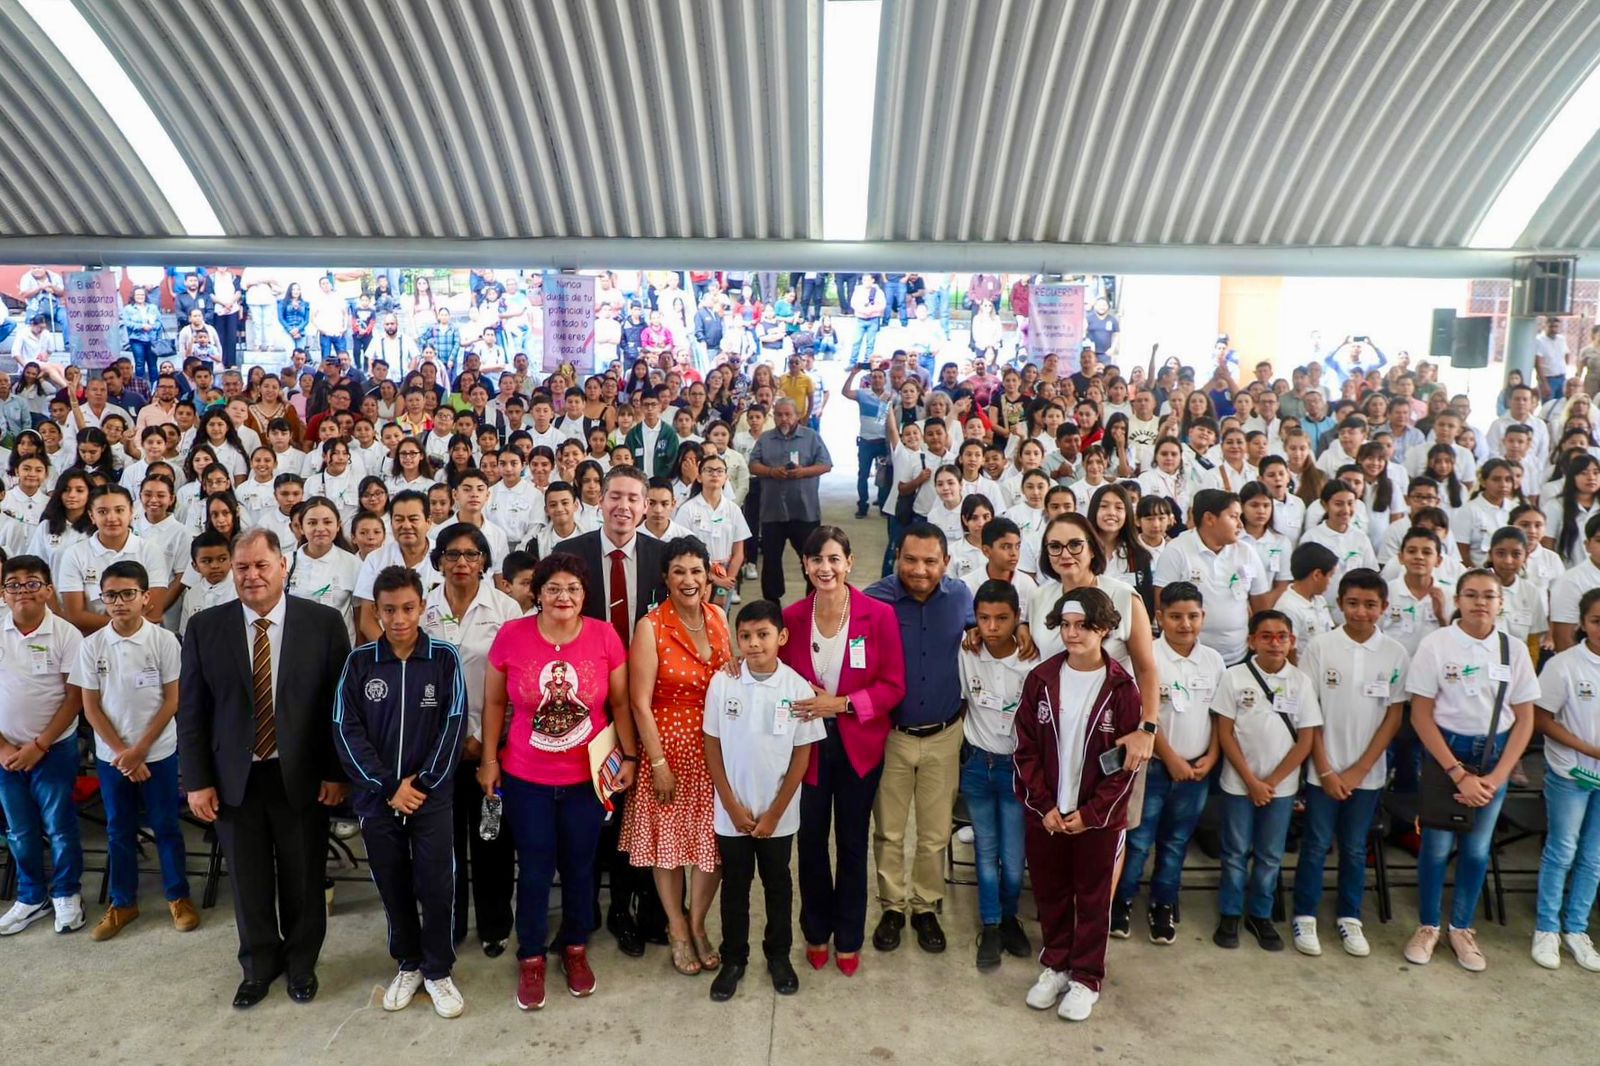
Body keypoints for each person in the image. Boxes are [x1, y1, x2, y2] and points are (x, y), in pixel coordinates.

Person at [177, 528, 353, 1008]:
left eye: (261, 565)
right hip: (235, 780)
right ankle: (259, 966)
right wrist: (196, 781)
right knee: (249, 882)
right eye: (242, 567)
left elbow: (337, 708)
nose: (252, 576)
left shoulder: (323, 622)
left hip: (302, 777)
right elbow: (191, 711)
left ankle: (301, 964)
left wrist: (337, 773)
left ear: (283, 567)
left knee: (302, 877)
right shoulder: (205, 627)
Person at [478, 552, 632, 1010]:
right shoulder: (512, 636)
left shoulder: (604, 636)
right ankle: (530, 955)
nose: (563, 597)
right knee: (537, 866)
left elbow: (620, 705)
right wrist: (489, 759)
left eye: (573, 589)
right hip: (527, 778)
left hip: (587, 778)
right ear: (537, 593)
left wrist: (629, 755)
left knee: (582, 865)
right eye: (553, 588)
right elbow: (492, 705)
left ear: (585, 595)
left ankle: (576, 947)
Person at [334, 567, 468, 1019]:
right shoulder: (360, 663)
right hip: (378, 799)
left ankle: (438, 969)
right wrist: (388, 786)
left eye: (408, 608)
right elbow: (344, 728)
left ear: (422, 608)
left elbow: (454, 724)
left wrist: (422, 784)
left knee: (436, 884)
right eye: (388, 610)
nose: (399, 618)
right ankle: (408, 963)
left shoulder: (444, 658)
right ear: (376, 610)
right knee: (392, 884)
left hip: (431, 798)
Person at [780, 526, 906, 976]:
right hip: (807, 747)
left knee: (852, 844)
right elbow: (773, 673)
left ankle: (849, 937)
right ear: (806, 566)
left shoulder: (878, 615)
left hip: (859, 744)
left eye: (834, 559)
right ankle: (816, 931)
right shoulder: (791, 619)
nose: (825, 568)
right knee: (810, 842)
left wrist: (843, 703)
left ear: (849, 562)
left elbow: (894, 686)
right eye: (816, 560)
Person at [1014, 586, 1142, 1022]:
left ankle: (1087, 977)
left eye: (1083, 626)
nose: (1072, 634)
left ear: (1104, 628)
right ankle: (1056, 964)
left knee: (1092, 898)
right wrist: (1044, 806)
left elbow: (1127, 766)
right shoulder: (1041, 679)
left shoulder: (1123, 689)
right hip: (1048, 815)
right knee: (1050, 892)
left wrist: (1090, 815)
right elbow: (1025, 750)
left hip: (1098, 820)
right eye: (1066, 626)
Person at [1403, 569, 1539, 972]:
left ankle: (1461, 928)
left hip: (1495, 756)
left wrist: (1496, 779)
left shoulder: (1511, 650)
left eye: (1489, 596)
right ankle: (1428, 925)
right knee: (1438, 846)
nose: (1480, 602)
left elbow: (1526, 720)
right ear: (1458, 600)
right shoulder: (1437, 644)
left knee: (1478, 849)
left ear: (1501, 603)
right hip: (1448, 752)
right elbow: (1421, 715)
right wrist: (1458, 773)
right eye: (1471, 595)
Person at [701, 599, 825, 1001]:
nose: (753, 644)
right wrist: (732, 807)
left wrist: (774, 812)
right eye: (745, 636)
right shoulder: (724, 683)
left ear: (781, 637)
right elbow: (712, 745)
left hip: (778, 816)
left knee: (777, 885)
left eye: (763, 635)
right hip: (731, 814)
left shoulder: (796, 688)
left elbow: (802, 754)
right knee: (735, 887)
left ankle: (779, 956)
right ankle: (734, 958)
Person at [622, 536, 733, 975]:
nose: (689, 580)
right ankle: (676, 927)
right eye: (679, 572)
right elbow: (639, 702)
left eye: (696, 571)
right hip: (668, 750)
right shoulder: (650, 627)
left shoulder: (721, 618)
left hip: (716, 751)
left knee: (713, 847)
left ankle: (699, 922)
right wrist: (659, 765)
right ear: (665, 578)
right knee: (668, 849)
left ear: (708, 575)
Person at [866, 522, 973, 956]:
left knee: (934, 833)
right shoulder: (875, 600)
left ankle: (925, 906)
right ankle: (892, 906)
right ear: (897, 558)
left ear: (945, 562)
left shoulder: (962, 597)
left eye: (931, 561)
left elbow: (987, 632)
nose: (920, 569)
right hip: (891, 736)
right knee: (889, 830)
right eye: (910, 559)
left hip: (945, 734)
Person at [74, 560, 195, 941]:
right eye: (111, 595)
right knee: (118, 829)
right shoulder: (92, 646)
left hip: (157, 752)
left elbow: (172, 701)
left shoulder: (164, 641)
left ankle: (178, 896)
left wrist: (140, 750)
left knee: (166, 826)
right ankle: (123, 901)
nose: (120, 601)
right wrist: (122, 753)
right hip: (113, 758)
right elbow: (90, 707)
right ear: (102, 600)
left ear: (146, 598)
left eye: (128, 594)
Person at [1292, 569, 1409, 958]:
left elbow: (1393, 716)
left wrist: (1360, 770)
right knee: (1316, 844)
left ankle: (1349, 917)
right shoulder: (1321, 647)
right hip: (1321, 769)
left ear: (1384, 608)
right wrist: (1325, 769)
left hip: (1368, 773)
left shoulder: (1394, 653)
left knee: (1356, 847)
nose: (1361, 612)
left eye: (1370, 605)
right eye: (1353, 603)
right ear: (1339, 604)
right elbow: (1310, 712)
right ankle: (1305, 914)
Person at [1111, 581, 1224, 946]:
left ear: (1203, 617)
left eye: (1192, 616)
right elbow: (1145, 717)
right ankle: (1121, 901)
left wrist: (1212, 756)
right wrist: (1171, 758)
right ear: (1159, 618)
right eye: (1175, 616)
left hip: (1196, 770)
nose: (1185, 624)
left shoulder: (1214, 661)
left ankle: (1163, 902)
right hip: (1155, 767)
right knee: (1140, 840)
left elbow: (1221, 718)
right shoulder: (1148, 659)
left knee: (1176, 842)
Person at [1212, 610, 1320, 952]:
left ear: (1292, 642)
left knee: (1271, 854)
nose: (1275, 643)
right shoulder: (1234, 677)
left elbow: (1306, 739)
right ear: (1251, 641)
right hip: (1238, 784)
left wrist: (1270, 782)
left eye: (1282, 637)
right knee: (1235, 852)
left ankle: (1259, 913)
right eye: (1266, 636)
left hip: (1281, 788)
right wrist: (1251, 780)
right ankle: (1230, 912)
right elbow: (1225, 732)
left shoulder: (1301, 682)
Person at [0, 556, 87, 936]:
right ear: (3, 593)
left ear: (49, 590)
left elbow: (74, 698)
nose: (23, 590)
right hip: (5, 752)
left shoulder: (67, 634)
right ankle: (31, 896)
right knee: (19, 829)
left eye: (32, 582)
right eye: (13, 584)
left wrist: (40, 744)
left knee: (60, 826)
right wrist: (2, 747)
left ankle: (67, 893)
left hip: (54, 748)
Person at [959, 579, 1033, 969]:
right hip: (977, 766)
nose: (992, 627)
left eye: (1002, 618)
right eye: (983, 618)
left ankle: (1009, 917)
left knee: (1014, 854)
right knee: (986, 851)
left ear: (1018, 618)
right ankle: (990, 924)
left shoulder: (1031, 659)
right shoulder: (967, 651)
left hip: (1016, 770)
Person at [1532, 586, 1600, 971]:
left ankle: (1577, 929)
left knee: (1594, 856)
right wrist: (1589, 750)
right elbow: (1542, 720)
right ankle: (1546, 928)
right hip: (1570, 773)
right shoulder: (1564, 665)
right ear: (1583, 624)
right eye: (1596, 621)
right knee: (1562, 850)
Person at [1152, 489, 1273, 664]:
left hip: (1239, 656)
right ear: (1209, 519)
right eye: (1233, 517)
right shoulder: (1177, 551)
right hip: (1191, 658)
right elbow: (1162, 606)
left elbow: (1261, 606)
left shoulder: (1246, 553)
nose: (1240, 524)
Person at [747, 397, 834, 602]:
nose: (784, 419)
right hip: (772, 512)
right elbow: (752, 464)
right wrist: (770, 472)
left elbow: (826, 464)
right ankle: (772, 605)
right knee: (771, 562)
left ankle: (813, 603)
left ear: (797, 416)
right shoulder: (766, 439)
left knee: (812, 560)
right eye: (779, 414)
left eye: (788, 414)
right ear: (774, 416)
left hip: (804, 512)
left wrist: (803, 472)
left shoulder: (811, 437)